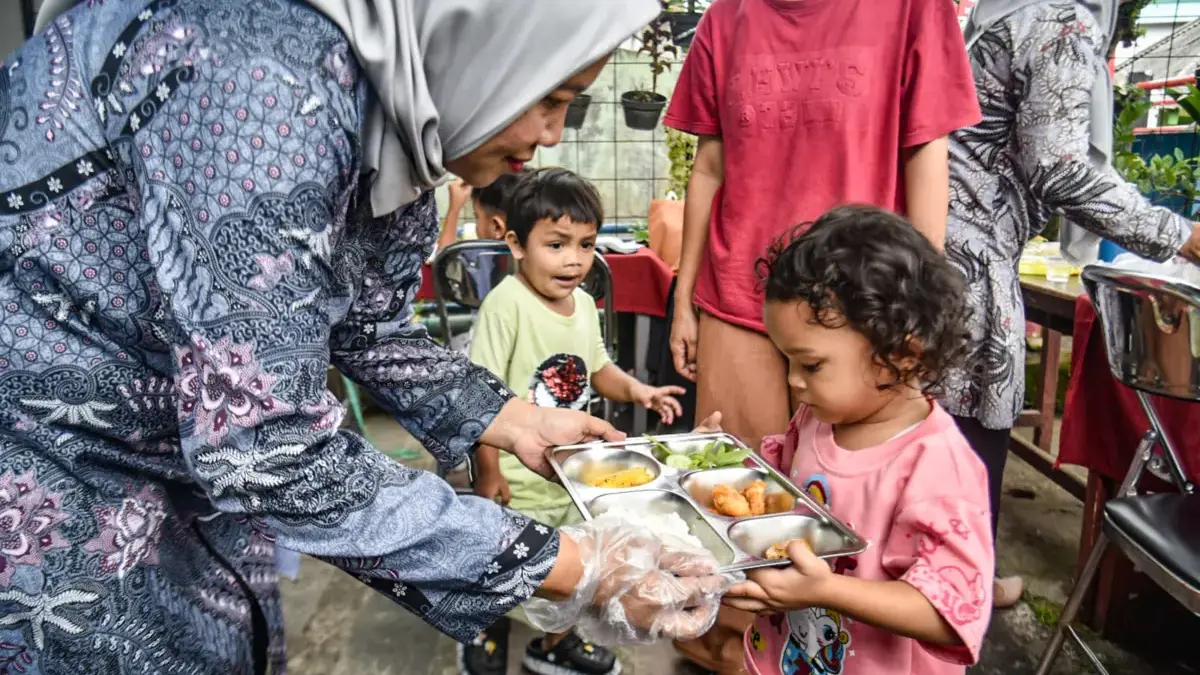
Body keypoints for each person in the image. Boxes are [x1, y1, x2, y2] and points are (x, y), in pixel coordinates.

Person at [0, 1, 727, 672]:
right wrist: (580, 566)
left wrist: (516, 417)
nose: (551, 135)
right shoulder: (260, 74)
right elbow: (265, 444)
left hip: (175, 481)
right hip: (52, 485)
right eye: (551, 96)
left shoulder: (402, 114)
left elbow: (363, 320)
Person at [662, 0, 982, 668]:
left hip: (861, 307)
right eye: (793, 371)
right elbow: (710, 167)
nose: (794, 386)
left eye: (803, 370)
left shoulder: (914, 10)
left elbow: (928, 151)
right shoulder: (727, 17)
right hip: (742, 292)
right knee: (751, 526)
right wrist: (685, 297)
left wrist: (908, 307)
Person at [944, 0, 1200, 607]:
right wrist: (1184, 237)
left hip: (944, 248)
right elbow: (1060, 168)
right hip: (966, 261)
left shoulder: (1005, 14)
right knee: (964, 436)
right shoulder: (1060, 17)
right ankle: (954, 598)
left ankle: (963, 581)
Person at [721, 205, 995, 675]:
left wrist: (826, 591)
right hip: (791, 654)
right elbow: (778, 496)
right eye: (786, 361)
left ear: (900, 356)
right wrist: (722, 466)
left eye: (811, 365)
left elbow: (949, 614)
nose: (793, 382)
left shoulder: (934, 464)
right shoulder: (815, 419)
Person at [464, 168, 687, 675]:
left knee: (574, 568)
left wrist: (639, 390)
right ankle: (485, 628)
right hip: (516, 477)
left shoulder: (584, 304)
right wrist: (489, 471)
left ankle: (552, 645)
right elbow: (478, 398)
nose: (574, 260)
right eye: (557, 244)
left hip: (572, 472)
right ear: (517, 245)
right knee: (502, 565)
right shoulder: (506, 307)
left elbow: (598, 368)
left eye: (585, 245)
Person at [437, 172, 525, 354]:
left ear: (496, 227)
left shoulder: (476, 254)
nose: (476, 223)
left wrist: (454, 210)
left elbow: (442, 264)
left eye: (477, 216)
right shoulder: (549, 257)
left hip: (482, 349)